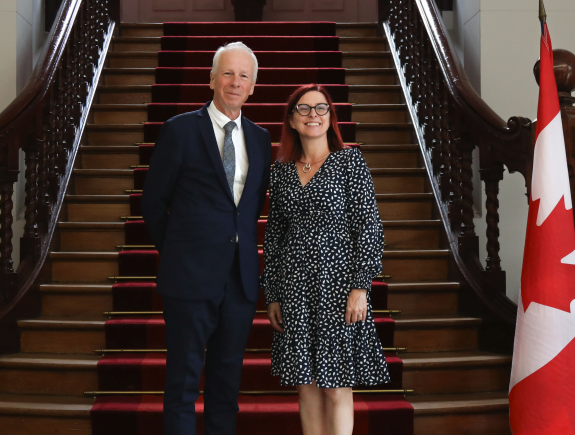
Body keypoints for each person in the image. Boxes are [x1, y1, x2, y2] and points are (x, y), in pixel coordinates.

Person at [142, 42, 272, 435]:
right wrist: (181, 254)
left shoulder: (262, 139)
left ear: (253, 86)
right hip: (188, 277)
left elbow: (250, 209)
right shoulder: (180, 129)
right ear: (212, 78)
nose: (235, 82)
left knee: (225, 384)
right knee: (182, 383)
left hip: (240, 282)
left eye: (243, 76)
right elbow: (152, 204)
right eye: (228, 73)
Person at [261, 84, 390, 435]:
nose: (313, 115)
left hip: (339, 287)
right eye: (304, 109)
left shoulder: (349, 162)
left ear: (331, 117)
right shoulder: (282, 172)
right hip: (295, 288)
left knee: (335, 385)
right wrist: (272, 293)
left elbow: (369, 228)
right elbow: (274, 236)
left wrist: (361, 287)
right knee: (306, 385)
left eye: (321, 108)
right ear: (291, 119)